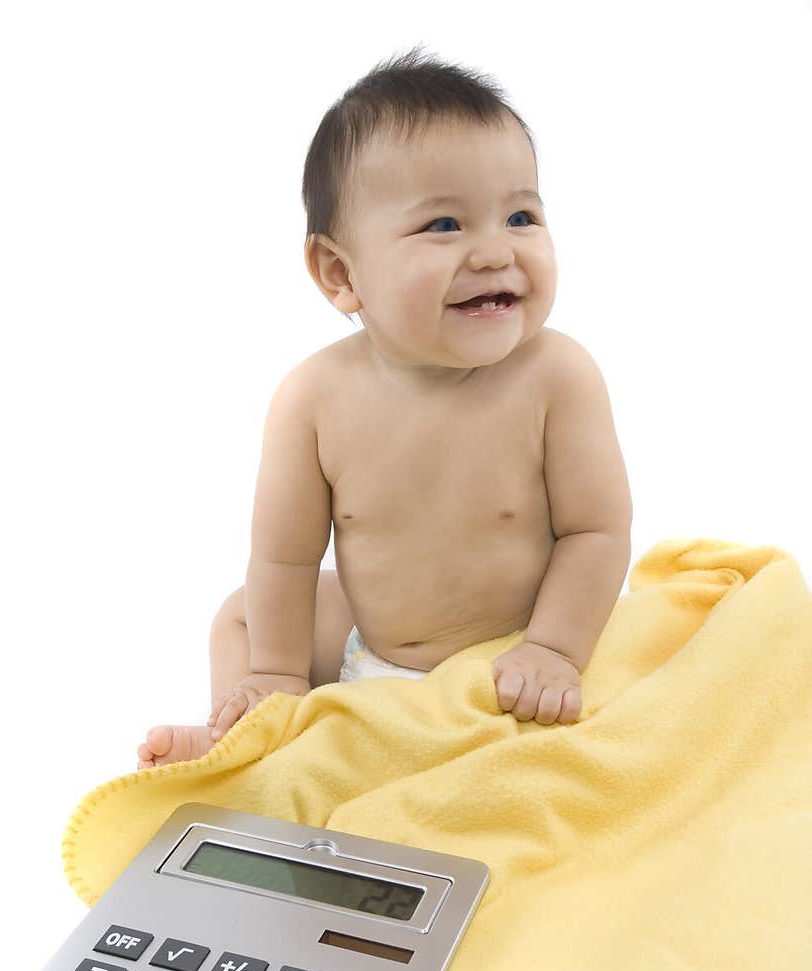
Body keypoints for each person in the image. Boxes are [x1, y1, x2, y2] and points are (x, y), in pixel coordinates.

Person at [137, 44, 632, 769]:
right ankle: (257, 733)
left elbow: (596, 532)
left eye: (521, 215)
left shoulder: (559, 376)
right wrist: (273, 670)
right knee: (244, 615)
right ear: (340, 273)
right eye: (444, 226)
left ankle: (321, 740)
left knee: (608, 705)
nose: (496, 251)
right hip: (377, 654)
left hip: (511, 662)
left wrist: (552, 651)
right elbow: (285, 558)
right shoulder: (312, 400)